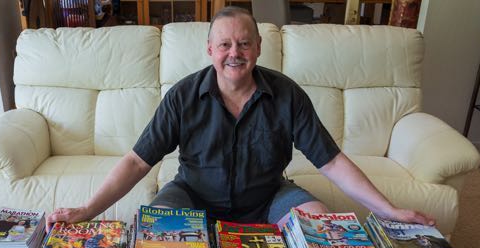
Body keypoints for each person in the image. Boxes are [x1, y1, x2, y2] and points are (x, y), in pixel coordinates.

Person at [46, 7, 435, 232]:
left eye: (244, 43)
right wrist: (85, 212)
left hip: (268, 197)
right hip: (192, 197)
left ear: (258, 48)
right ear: (210, 49)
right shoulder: (182, 96)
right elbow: (137, 161)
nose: (235, 52)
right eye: (226, 44)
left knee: (321, 226)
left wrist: (389, 210)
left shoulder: (287, 95)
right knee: (153, 235)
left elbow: (330, 160)